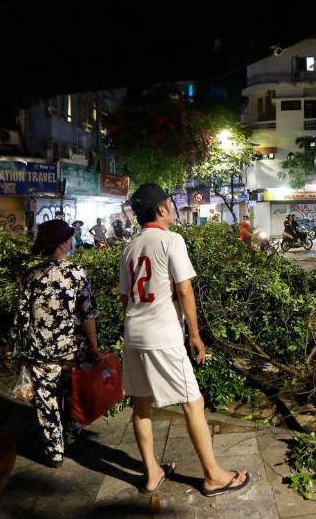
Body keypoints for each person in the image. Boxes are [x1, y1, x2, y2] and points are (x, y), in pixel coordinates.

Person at [120, 183, 250, 496]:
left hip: (133, 334)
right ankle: (214, 476)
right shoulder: (171, 240)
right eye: (169, 203)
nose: (173, 207)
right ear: (161, 209)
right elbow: (185, 289)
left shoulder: (130, 246)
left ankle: (152, 472)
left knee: (141, 404)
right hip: (163, 336)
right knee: (193, 402)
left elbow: (125, 298)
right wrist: (194, 333)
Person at [13, 219, 100, 468]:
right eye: (70, 239)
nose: (72, 241)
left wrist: (20, 349)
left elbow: (22, 316)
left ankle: (54, 452)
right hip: (72, 350)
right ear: (63, 244)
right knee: (73, 393)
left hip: (41, 352)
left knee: (46, 402)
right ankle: (71, 436)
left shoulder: (31, 276)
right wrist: (93, 346)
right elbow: (88, 314)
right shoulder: (77, 273)